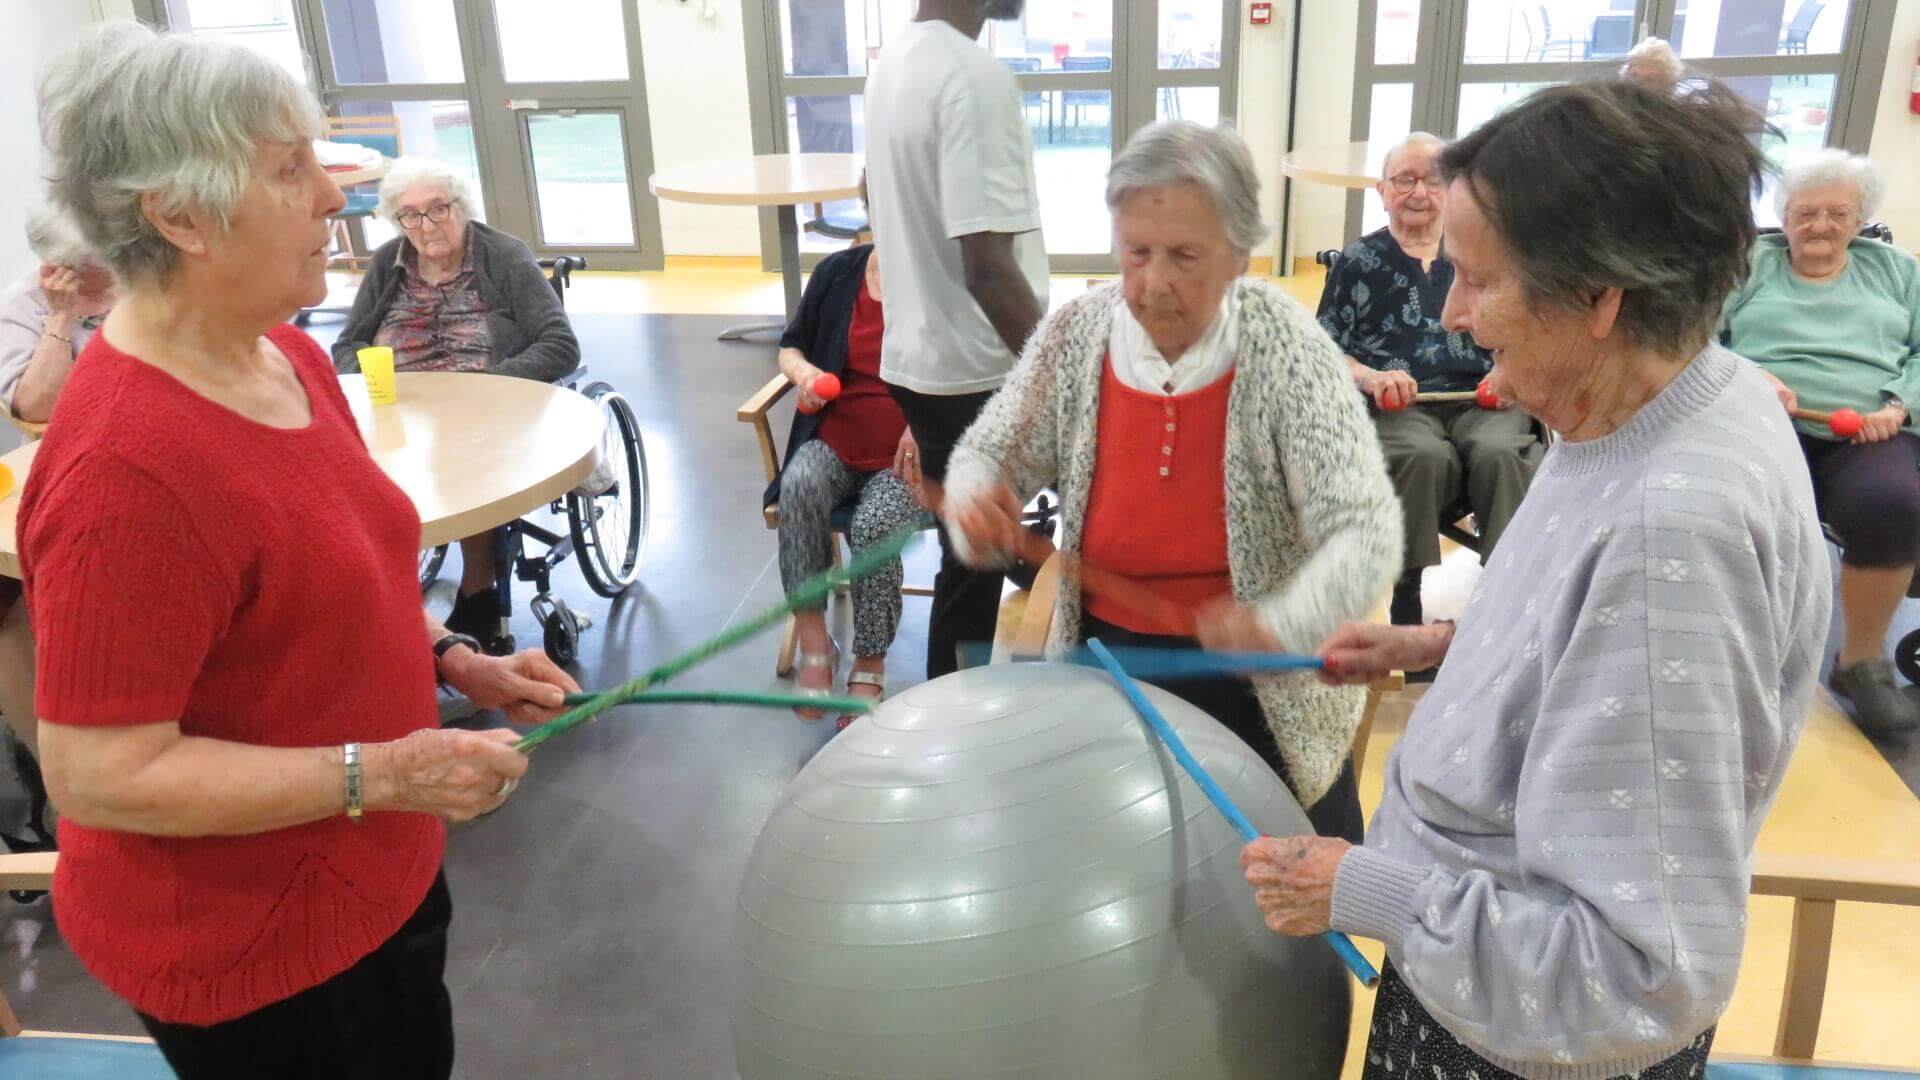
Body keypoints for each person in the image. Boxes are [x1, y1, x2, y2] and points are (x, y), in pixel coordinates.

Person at [1242, 80, 1829, 1079]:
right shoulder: (1667, 390)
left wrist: (1369, 889)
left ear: (1599, 297)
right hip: (1483, 985)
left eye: (1476, 278)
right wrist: (1444, 643)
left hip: (1520, 1042)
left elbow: (1635, 976)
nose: (1454, 312)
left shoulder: (1670, 539)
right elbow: (1593, 643)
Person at [28, 24, 579, 1075]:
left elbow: (344, 577)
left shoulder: (281, 353)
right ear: (179, 214)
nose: (333, 196)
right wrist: (384, 772)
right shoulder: (126, 472)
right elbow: (101, 774)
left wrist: (453, 660)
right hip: (254, 954)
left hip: (376, 872)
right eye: (289, 169)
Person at [942, 121, 1401, 842]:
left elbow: (1365, 530)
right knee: (1118, 872)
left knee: (1286, 893)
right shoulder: (1077, 332)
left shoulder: (1287, 349)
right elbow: (988, 452)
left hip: (1261, 681)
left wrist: (1277, 622)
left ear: (1239, 256)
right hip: (1109, 665)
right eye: (1136, 253)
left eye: (1185, 256)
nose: (1154, 283)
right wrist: (974, 501)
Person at [865, 0, 1049, 680]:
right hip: (978, 370)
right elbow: (988, 266)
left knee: (971, 564)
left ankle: (953, 719)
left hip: (922, 362)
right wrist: (1064, 377)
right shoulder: (974, 75)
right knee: (980, 566)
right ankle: (960, 727)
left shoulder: (895, 62)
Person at [334, 156, 581, 651]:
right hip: (400, 407)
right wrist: (371, 374)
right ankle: (381, 596)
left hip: (483, 408)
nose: (425, 226)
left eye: (437, 209)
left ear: (461, 207)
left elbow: (560, 344)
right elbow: (346, 346)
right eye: (410, 215)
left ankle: (478, 590)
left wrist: (489, 384)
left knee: (464, 460)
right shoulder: (389, 263)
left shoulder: (503, 257)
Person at [1721, 149, 1920, 738]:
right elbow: (1695, 339)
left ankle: (1861, 663)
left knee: (1892, 502)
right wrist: (1750, 375)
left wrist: (1896, 404)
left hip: (1868, 428)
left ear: (1859, 220)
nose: (1821, 226)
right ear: (1783, 215)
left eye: (1838, 213)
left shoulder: (1895, 270)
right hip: (1760, 420)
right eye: (1806, 213)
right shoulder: (1749, 264)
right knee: (1728, 508)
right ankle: (1736, 656)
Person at [1317, 132, 1540, 628]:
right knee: (1420, 456)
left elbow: (1529, 330)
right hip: (1401, 406)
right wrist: (1372, 377)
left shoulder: (1489, 255)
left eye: (1433, 180)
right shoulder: (1357, 262)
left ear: (1453, 188)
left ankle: (1506, 599)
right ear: (1381, 191)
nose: (1418, 192)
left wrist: (1509, 373)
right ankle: (1405, 598)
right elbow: (1324, 352)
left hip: (1486, 399)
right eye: (1404, 180)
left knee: (1503, 453)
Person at [770, 201, 923, 727]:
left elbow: (965, 375)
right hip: (835, 438)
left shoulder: (940, 286)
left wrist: (926, 425)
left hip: (906, 457)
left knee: (876, 523)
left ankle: (870, 659)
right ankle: (817, 645)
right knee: (799, 485)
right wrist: (807, 377)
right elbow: (790, 348)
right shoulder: (838, 273)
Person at [0, 199, 115, 789]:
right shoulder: (26, 304)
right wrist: (59, 320)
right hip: (78, 465)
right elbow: (34, 410)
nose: (105, 273)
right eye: (86, 263)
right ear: (56, 265)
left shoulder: (142, 274)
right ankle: (59, 775)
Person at [0, 200, 115, 436]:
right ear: (62, 266)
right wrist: (60, 315)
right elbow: (38, 409)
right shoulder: (19, 306)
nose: (115, 261)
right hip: (80, 436)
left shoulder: (135, 279)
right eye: (100, 259)